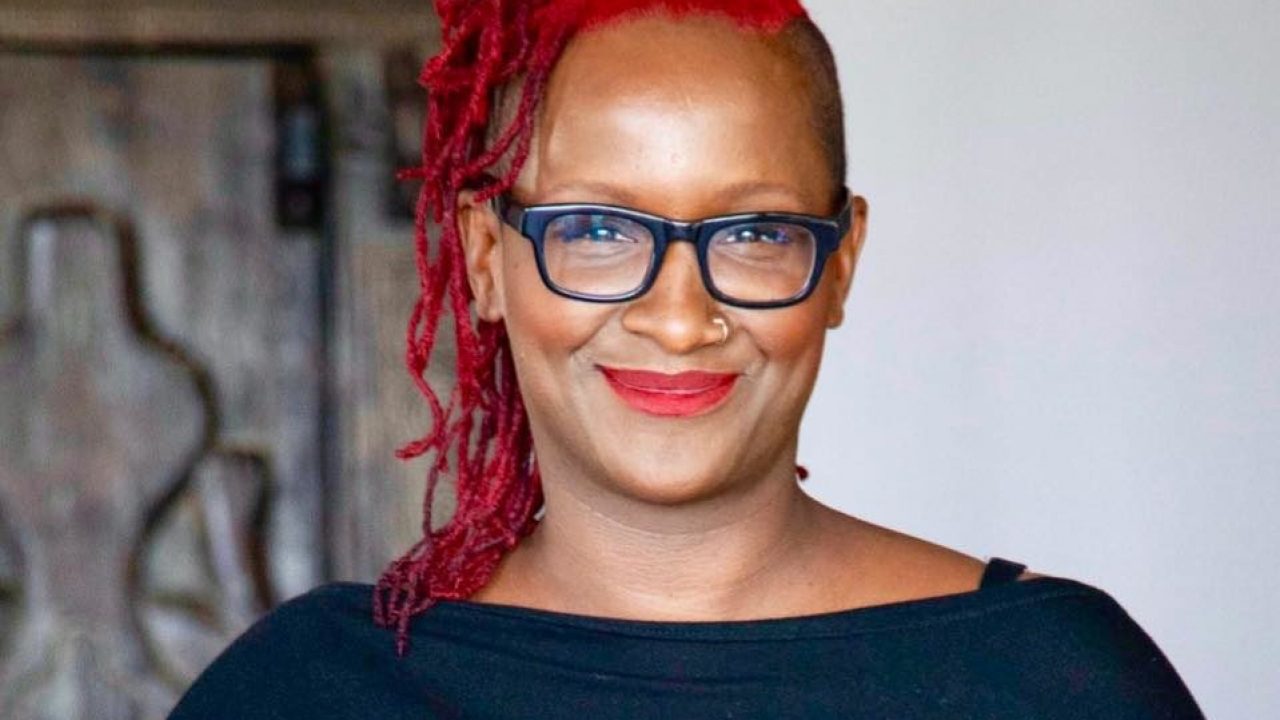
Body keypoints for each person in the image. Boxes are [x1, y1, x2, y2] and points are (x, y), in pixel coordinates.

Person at [169, 0, 1205, 717]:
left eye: (752, 234)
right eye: (595, 230)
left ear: (840, 263)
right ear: (486, 259)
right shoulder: (312, 690)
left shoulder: (1054, 680)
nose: (677, 318)